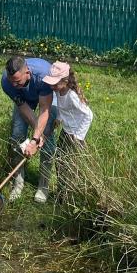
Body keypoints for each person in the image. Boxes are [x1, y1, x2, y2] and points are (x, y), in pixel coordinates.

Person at [1, 56, 58, 203]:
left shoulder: (44, 76)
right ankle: (18, 183)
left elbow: (44, 109)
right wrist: (35, 138)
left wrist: (38, 137)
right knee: (16, 135)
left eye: (17, 81)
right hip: (26, 99)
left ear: (28, 72)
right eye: (12, 81)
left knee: (48, 138)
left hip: (47, 95)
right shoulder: (7, 82)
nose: (14, 85)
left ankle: (43, 186)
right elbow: (23, 107)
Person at [42, 62, 93, 202]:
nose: (52, 87)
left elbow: (88, 115)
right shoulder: (59, 91)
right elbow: (61, 107)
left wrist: (78, 136)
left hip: (75, 135)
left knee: (72, 164)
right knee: (60, 161)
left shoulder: (72, 96)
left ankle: (72, 195)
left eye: (55, 84)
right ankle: (62, 192)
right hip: (65, 131)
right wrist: (58, 118)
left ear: (65, 81)